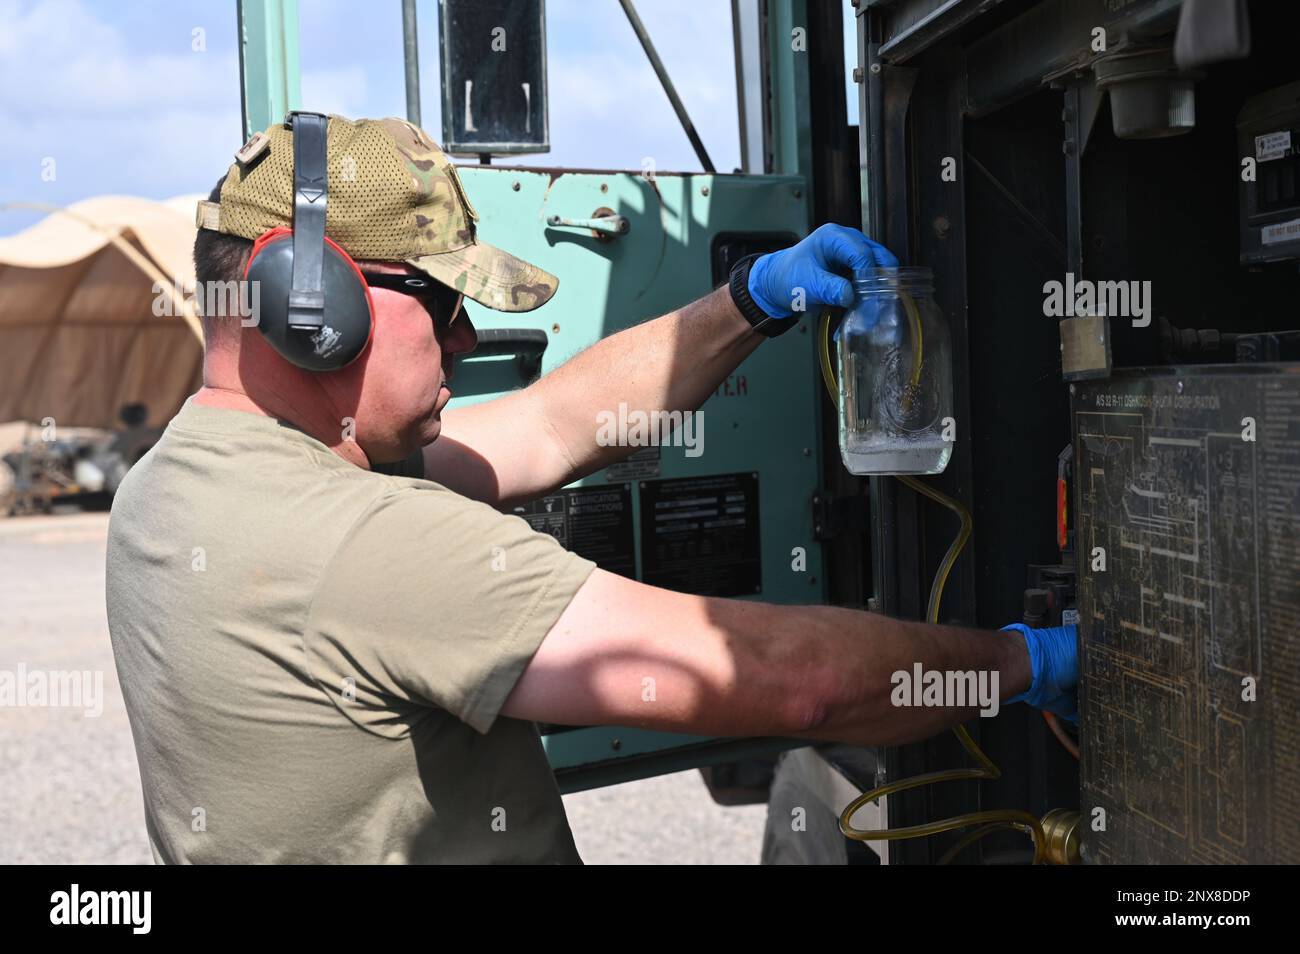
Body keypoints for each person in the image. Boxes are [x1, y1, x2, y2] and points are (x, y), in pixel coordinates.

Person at [106, 114, 1075, 863]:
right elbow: (796, 684)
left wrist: (751, 300)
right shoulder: (362, 541)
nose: (465, 341)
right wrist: (1027, 660)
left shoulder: (185, 479)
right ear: (310, 300)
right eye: (444, 303)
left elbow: (549, 425)